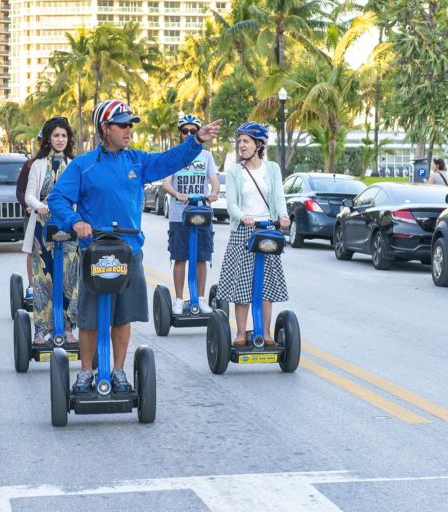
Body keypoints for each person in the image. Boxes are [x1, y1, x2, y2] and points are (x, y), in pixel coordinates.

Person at [48, 99, 221, 394]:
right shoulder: (83, 165)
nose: (129, 129)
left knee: (122, 315)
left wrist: (195, 142)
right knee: (89, 317)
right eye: (123, 124)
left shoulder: (137, 161)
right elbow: (57, 199)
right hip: (95, 250)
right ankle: (86, 372)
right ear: (105, 128)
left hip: (128, 251)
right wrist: (75, 222)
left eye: (131, 124)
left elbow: (168, 160)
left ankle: (117, 371)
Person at [216, 122, 290, 346]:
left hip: (267, 230)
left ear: (259, 144)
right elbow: (231, 204)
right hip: (243, 233)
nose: (241, 145)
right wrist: (243, 216)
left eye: (246, 141)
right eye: (239, 141)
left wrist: (284, 216)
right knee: (242, 285)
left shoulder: (272, 169)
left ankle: (266, 333)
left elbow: (278, 196)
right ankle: (240, 333)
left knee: (266, 285)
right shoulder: (234, 172)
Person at [23, 117, 79, 345]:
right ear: (48, 138)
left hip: (68, 226)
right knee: (43, 279)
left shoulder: (74, 164)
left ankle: (68, 329)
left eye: (64, 136)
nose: (60, 140)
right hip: (42, 227)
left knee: (69, 278)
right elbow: (29, 195)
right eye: (56, 135)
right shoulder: (38, 164)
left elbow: (79, 196)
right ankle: (41, 331)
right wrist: (40, 206)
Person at [161, 114, 219, 314]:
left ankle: (200, 298)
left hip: (202, 212)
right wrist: (177, 193)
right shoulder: (174, 155)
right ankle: (178, 299)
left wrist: (214, 193)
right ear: (180, 134)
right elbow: (165, 182)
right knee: (180, 257)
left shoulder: (207, 156)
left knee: (202, 257)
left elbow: (214, 180)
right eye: (185, 131)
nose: (188, 134)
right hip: (179, 215)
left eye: (192, 131)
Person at [17, 129, 43, 299]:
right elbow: (21, 190)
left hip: (57, 216)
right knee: (32, 251)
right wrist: (27, 205)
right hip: (33, 213)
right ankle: (33, 285)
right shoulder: (30, 164)